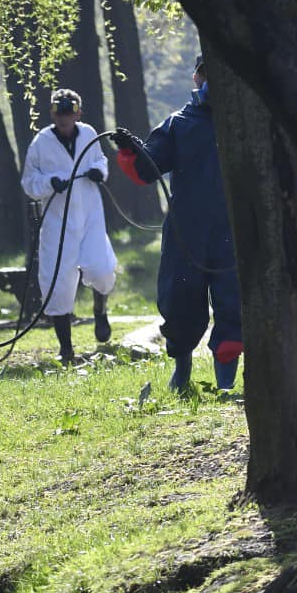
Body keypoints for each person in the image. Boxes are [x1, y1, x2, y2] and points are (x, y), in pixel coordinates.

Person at [112, 54, 243, 390]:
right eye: (204, 74)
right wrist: (131, 150)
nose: (209, 82)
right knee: (180, 301)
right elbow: (146, 170)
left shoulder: (243, 123)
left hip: (233, 230)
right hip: (186, 231)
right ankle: (181, 370)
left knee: (233, 305)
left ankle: (225, 386)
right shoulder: (178, 124)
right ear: (195, 78)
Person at [20, 88, 117, 363]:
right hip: (57, 221)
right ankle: (66, 347)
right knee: (57, 284)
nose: (64, 119)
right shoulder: (40, 143)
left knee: (101, 269)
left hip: (89, 216)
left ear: (77, 113)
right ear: (52, 114)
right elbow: (29, 183)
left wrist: (100, 171)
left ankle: (100, 310)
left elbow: (99, 159)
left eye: (68, 113)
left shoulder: (88, 134)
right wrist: (49, 183)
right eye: (59, 114)